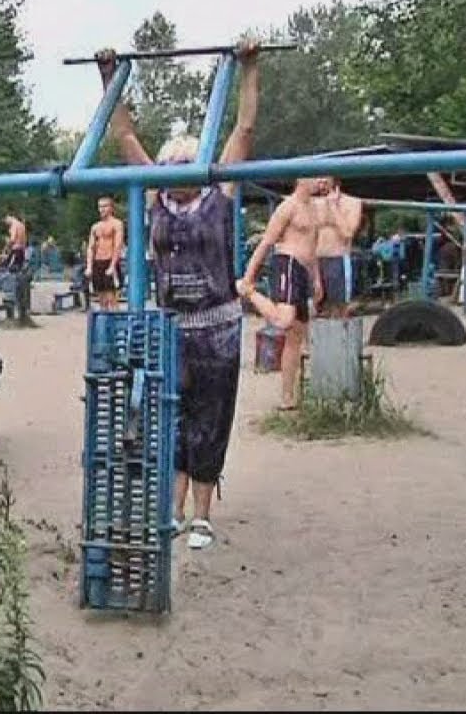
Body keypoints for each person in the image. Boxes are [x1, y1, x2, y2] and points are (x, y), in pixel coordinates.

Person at [96, 38, 261, 550]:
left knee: (210, 422)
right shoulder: (156, 200)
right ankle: (171, 509)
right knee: (169, 417)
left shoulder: (219, 194)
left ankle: (203, 516)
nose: (181, 171)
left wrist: (248, 67)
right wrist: (109, 75)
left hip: (218, 327)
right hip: (171, 329)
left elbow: (245, 129)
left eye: (188, 162)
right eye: (174, 163)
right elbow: (123, 135)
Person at [237, 178, 325, 411]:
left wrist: (316, 278)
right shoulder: (288, 207)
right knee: (284, 321)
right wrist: (249, 276)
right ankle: (249, 293)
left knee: (296, 336)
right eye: (317, 177)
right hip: (287, 262)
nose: (321, 181)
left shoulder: (315, 209)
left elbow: (313, 248)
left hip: (304, 271)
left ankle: (288, 397)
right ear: (301, 179)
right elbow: (266, 242)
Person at [314, 177, 363, 317]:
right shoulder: (313, 204)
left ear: (335, 182)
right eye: (319, 181)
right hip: (314, 260)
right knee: (314, 306)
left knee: (339, 308)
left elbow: (348, 233)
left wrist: (333, 206)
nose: (321, 185)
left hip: (337, 258)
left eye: (325, 181)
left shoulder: (352, 203)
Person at [85, 195, 124, 310]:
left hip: (110, 261)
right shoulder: (95, 227)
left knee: (112, 297)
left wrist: (112, 265)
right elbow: (91, 247)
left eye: (105, 206)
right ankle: (104, 324)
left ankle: (115, 323)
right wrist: (89, 266)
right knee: (101, 297)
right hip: (98, 262)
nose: (102, 209)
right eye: (100, 207)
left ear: (111, 208)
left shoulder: (116, 224)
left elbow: (118, 244)